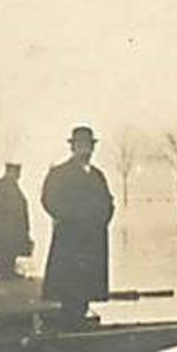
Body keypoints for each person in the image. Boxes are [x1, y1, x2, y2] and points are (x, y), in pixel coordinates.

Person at [42, 126, 115, 325]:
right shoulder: (60, 173)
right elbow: (49, 200)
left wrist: (102, 220)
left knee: (87, 284)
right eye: (81, 146)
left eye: (89, 146)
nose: (86, 151)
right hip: (70, 237)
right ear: (73, 148)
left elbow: (107, 202)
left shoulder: (97, 175)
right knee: (69, 283)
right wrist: (70, 218)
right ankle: (70, 322)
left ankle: (80, 318)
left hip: (93, 238)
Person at [0, 162, 33, 280]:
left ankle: (7, 271)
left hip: (9, 227)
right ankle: (4, 272)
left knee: (9, 251)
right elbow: (1, 210)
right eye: (17, 172)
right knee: (6, 250)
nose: (18, 175)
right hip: (6, 227)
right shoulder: (3, 186)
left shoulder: (8, 186)